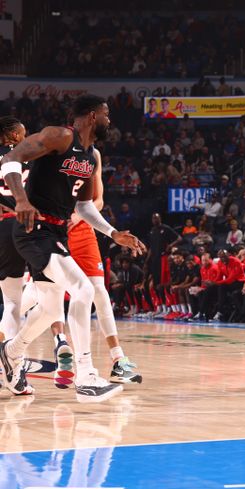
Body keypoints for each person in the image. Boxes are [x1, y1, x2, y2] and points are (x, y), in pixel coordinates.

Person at [0, 94, 145, 400]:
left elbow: (86, 206)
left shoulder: (91, 156)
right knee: (84, 289)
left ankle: (12, 352)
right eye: (106, 115)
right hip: (34, 229)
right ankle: (86, 375)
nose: (109, 120)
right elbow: (9, 159)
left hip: (56, 232)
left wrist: (113, 232)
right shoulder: (60, 136)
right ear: (92, 116)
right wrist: (22, 200)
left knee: (49, 308)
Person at [50, 144, 143, 387]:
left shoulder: (94, 154)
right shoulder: (54, 147)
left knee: (99, 292)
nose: (108, 120)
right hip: (54, 227)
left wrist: (79, 216)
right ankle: (61, 350)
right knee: (51, 293)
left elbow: (98, 200)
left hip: (83, 230)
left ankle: (118, 360)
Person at [0, 117, 29, 347]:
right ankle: (8, 363)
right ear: (15, 136)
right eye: (24, 133)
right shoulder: (28, 158)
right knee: (12, 303)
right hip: (18, 226)